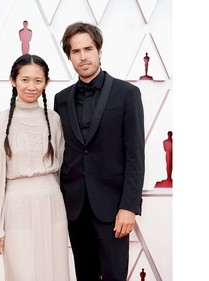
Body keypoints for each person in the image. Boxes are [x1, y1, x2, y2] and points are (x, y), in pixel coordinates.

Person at [54, 22, 145, 281]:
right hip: (75, 207)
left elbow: (135, 154)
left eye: (88, 49)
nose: (83, 56)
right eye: (75, 51)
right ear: (69, 56)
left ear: (99, 50)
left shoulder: (127, 93)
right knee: (85, 276)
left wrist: (129, 206)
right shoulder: (61, 99)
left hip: (114, 208)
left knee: (115, 277)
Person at [0, 54, 69, 281]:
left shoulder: (54, 119)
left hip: (52, 202)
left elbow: (60, 167)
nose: (31, 87)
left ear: (47, 83)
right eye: (25, 80)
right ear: (13, 80)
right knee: (23, 272)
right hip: (16, 204)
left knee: (55, 270)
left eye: (38, 81)